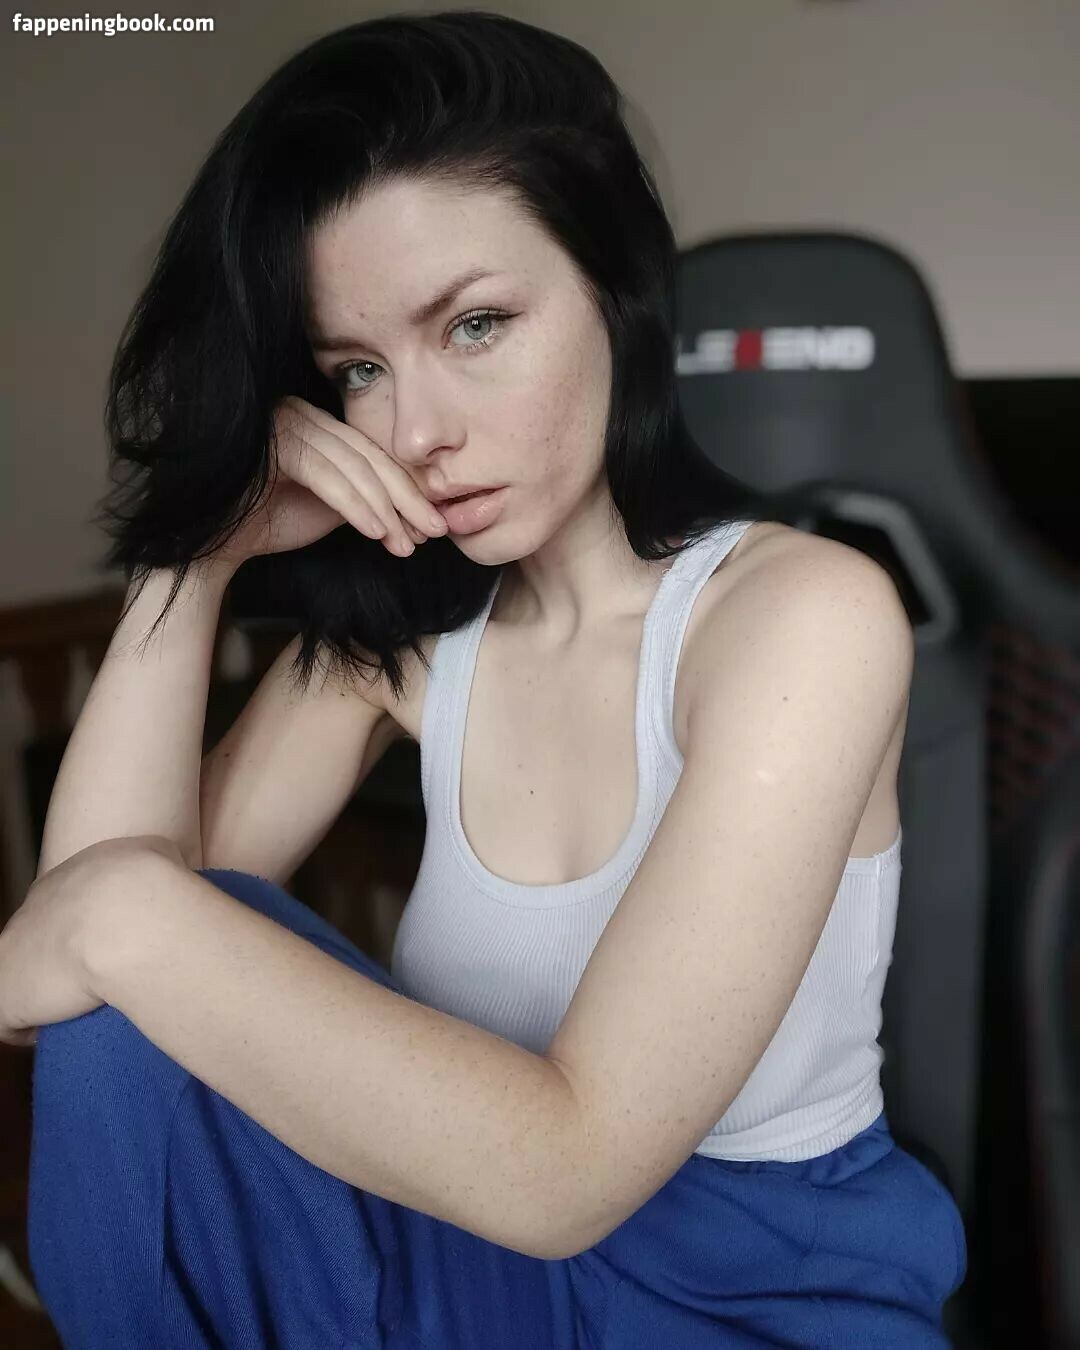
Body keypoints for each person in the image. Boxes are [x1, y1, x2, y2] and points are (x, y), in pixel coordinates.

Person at [24, 11, 966, 1347]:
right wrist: (198, 552)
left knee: (143, 922)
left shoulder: (803, 616)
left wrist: (110, 912)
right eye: (358, 369)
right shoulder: (410, 638)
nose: (415, 431)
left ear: (615, 290)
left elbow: (570, 1172)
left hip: (758, 1293)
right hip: (470, 1259)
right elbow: (94, 1009)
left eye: (474, 325)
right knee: (143, 982)